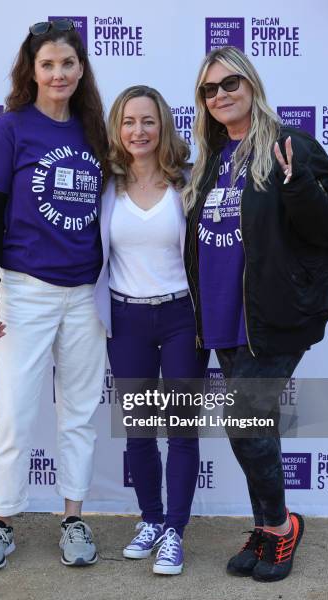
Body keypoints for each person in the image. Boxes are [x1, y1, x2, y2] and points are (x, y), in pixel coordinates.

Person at [183, 46, 328, 582]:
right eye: (210, 90)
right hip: (222, 315)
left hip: (274, 316)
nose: (221, 95)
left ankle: (281, 529)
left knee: (244, 422)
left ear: (251, 84)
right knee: (253, 426)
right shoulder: (211, 159)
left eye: (230, 83)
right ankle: (266, 526)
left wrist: (297, 182)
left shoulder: (291, 146)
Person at [0, 19, 109, 570]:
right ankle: (1, 521)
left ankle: (73, 518)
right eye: (47, 64)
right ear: (32, 70)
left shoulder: (97, 130)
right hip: (24, 290)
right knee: (13, 412)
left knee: (78, 412)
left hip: (85, 295)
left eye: (68, 64)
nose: (58, 73)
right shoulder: (10, 129)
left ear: (81, 69)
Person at [94, 85, 209, 575]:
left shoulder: (189, 181)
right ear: (117, 129)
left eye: (147, 121)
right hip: (127, 319)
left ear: (163, 126)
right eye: (128, 121)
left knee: (181, 430)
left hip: (183, 317)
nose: (138, 131)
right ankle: (151, 520)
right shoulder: (104, 185)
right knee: (140, 431)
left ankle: (175, 533)